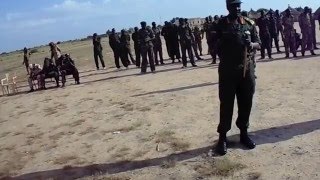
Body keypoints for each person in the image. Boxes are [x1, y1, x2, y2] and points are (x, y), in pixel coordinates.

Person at [214, 0, 261, 156]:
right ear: (228, 7)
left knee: (246, 102)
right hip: (228, 71)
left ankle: (244, 134)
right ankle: (222, 137)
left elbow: (259, 44)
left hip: (246, 70)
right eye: (234, 6)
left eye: (239, 5)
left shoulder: (249, 23)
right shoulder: (220, 24)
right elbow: (212, 45)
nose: (238, 8)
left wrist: (251, 44)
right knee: (226, 104)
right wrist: (224, 42)